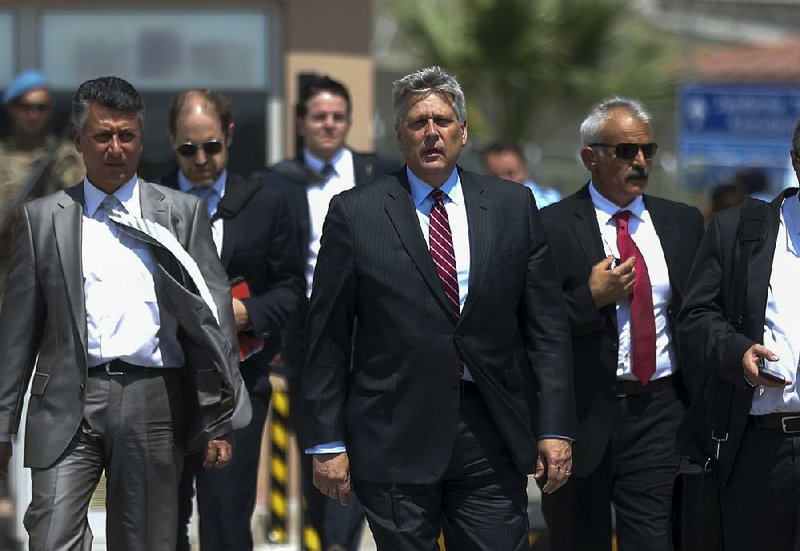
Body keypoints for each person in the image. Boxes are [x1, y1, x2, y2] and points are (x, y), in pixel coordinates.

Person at [302, 65, 576, 551]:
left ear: (464, 132)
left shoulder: (512, 206)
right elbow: (327, 335)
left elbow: (546, 329)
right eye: (417, 122)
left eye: (443, 121)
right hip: (392, 436)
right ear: (399, 135)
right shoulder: (355, 212)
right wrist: (327, 441)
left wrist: (554, 426)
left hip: (489, 432)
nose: (432, 132)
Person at [0, 76, 249, 550]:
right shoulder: (43, 219)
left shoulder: (181, 213)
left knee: (147, 542)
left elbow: (211, 323)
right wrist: (2, 423)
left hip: (154, 402)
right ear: (78, 141)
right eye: (102, 136)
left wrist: (218, 416)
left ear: (140, 138)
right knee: (51, 536)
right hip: (65, 403)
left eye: (126, 136)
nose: (115, 148)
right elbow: (16, 335)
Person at [538, 97, 704, 551]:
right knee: (577, 539)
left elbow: (702, 313)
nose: (641, 161)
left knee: (653, 539)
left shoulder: (682, 222)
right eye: (626, 151)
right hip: (582, 412)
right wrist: (588, 299)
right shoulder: (550, 226)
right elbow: (531, 325)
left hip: (660, 411)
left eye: (647, 150)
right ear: (590, 156)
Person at [257, 74, 400, 551]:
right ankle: (324, 538)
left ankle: (343, 540)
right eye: (319, 116)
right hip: (306, 334)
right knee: (316, 445)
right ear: (301, 122)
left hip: (372, 331)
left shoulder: (381, 173)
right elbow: (270, 264)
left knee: (368, 443)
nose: (329, 125)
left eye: (338, 117)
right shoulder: (275, 182)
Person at [159, 89, 306, 551]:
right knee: (162, 516)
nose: (200, 159)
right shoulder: (148, 198)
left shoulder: (265, 201)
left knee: (226, 515)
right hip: (163, 382)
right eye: (188, 149)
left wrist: (246, 313)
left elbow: (291, 291)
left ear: (229, 136)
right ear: (171, 142)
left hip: (238, 381)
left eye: (211, 146)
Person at [676, 118, 800, 550]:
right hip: (761, 451)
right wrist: (738, 354)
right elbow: (695, 315)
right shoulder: (741, 231)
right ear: (796, 161)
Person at [0, 70, 84, 288]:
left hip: (52, 272)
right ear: (10, 108)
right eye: (26, 107)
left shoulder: (66, 156)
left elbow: (82, 206)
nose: (33, 114)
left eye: (41, 107)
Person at [481, 141, 561, 207]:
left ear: (525, 170)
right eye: (495, 176)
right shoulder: (478, 204)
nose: (503, 181)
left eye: (510, 174)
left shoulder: (549, 202)